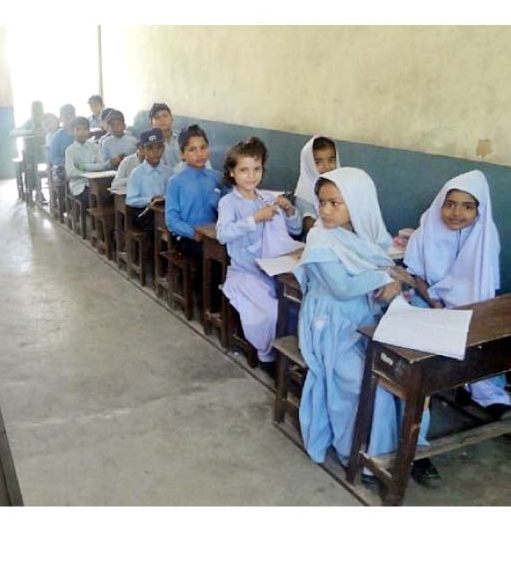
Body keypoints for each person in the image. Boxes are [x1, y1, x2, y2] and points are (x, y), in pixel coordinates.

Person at [293, 167, 431, 483]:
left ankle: (405, 449)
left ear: (359, 203)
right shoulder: (319, 237)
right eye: (322, 202)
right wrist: (387, 277)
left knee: (404, 374)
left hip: (366, 319)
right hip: (330, 325)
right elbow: (343, 287)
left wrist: (394, 284)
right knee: (360, 380)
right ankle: (359, 452)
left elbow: (384, 276)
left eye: (335, 203)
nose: (325, 211)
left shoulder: (369, 235)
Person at [401, 170, 511, 420]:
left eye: (467, 207)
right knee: (430, 330)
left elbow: (485, 286)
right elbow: (417, 277)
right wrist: (436, 304)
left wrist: (470, 312)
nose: (457, 213)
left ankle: (483, 390)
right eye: (450, 204)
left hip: (472, 305)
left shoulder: (485, 236)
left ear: (478, 210)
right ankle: (453, 382)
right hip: (430, 300)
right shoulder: (425, 231)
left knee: (483, 333)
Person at [216, 138, 302, 375]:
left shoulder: (267, 198)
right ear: (232, 173)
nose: (251, 176)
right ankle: (268, 358)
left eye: (257, 169)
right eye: (243, 170)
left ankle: (291, 357)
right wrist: (255, 219)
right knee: (269, 313)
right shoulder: (229, 202)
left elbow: (294, 231)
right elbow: (223, 234)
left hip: (275, 271)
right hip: (246, 273)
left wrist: (290, 211)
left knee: (297, 306)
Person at [165, 124, 222, 261]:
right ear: (182, 153)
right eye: (192, 150)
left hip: (213, 235)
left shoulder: (217, 177)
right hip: (188, 237)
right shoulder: (176, 182)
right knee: (208, 259)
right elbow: (171, 220)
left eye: (203, 147)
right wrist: (193, 233)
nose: (200, 153)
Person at [125, 129, 171, 234]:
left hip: (162, 211)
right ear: (142, 149)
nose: (155, 152)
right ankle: (152, 250)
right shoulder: (137, 173)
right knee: (154, 225)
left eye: (159, 147)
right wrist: (150, 199)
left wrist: (164, 198)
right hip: (143, 212)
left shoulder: (168, 171)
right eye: (150, 148)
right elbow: (130, 200)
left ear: (163, 149)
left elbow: (172, 194)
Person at [294, 135, 340, 235]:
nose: (327, 167)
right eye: (318, 162)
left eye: (331, 160)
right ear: (308, 164)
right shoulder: (304, 194)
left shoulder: (342, 187)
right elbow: (312, 228)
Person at [65, 116, 107, 208]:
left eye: (85, 129)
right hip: (80, 185)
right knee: (91, 198)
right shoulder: (70, 150)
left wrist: (83, 167)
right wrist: (91, 170)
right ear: (73, 131)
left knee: (107, 197)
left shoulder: (95, 147)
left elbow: (102, 166)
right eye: (78, 129)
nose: (82, 132)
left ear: (89, 130)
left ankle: (101, 221)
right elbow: (71, 172)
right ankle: (93, 220)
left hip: (96, 182)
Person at [149, 103, 181, 171]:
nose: (162, 120)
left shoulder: (184, 138)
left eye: (165, 116)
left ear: (172, 119)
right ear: (151, 123)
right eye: (157, 117)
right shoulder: (149, 145)